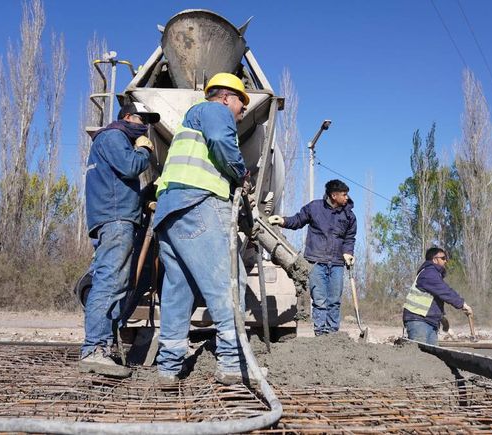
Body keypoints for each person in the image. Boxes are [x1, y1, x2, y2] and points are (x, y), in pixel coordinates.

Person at [152, 72, 251, 385]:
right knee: (229, 281)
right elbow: (221, 140)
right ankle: (232, 364)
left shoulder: (188, 122)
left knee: (178, 290)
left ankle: (168, 368)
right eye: (241, 102)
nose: (243, 110)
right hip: (198, 203)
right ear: (225, 97)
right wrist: (240, 173)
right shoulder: (214, 110)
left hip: (170, 210)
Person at [79, 102, 160, 377]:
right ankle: (94, 349)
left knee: (117, 283)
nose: (145, 126)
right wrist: (144, 150)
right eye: (141, 119)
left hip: (115, 216)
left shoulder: (111, 140)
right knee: (110, 282)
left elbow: (119, 181)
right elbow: (130, 166)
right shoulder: (114, 136)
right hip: (115, 219)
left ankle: (103, 346)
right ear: (127, 117)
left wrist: (146, 196)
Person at [267, 179, 357, 336]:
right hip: (316, 262)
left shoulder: (349, 215)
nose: (347, 197)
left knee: (334, 300)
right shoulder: (314, 207)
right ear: (334, 195)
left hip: (337, 263)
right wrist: (282, 221)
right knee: (319, 300)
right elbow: (298, 220)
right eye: (344, 194)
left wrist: (348, 252)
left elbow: (350, 237)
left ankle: (333, 334)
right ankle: (320, 333)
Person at [402, 247, 473, 345]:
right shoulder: (428, 273)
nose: (445, 261)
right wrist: (462, 304)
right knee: (419, 351)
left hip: (429, 322)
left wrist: (443, 320)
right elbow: (445, 291)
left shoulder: (434, 274)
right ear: (435, 260)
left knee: (431, 353)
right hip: (418, 320)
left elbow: (433, 302)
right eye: (443, 258)